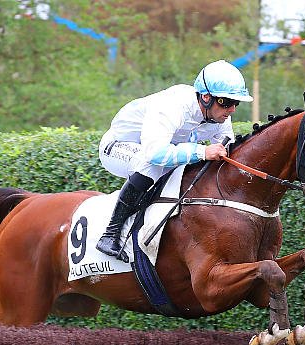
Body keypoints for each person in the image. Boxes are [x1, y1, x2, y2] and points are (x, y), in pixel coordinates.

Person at [96, 59, 253, 262]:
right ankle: (110, 234)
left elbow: (227, 150)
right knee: (152, 164)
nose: (232, 110)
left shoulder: (219, 115)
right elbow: (155, 153)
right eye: (226, 102)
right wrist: (203, 151)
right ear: (206, 97)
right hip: (117, 147)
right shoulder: (173, 105)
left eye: (235, 103)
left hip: (155, 149)